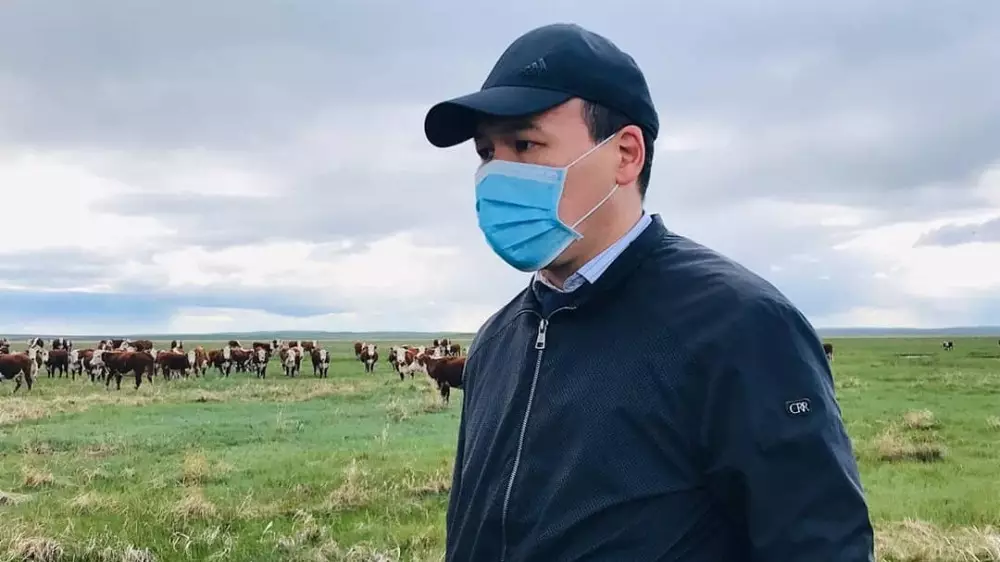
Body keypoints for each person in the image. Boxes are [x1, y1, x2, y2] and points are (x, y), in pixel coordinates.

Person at [423, 22, 875, 562]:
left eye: (525, 144)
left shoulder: (740, 326)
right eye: (485, 152)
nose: (497, 174)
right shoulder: (497, 339)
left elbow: (819, 545)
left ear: (626, 154)